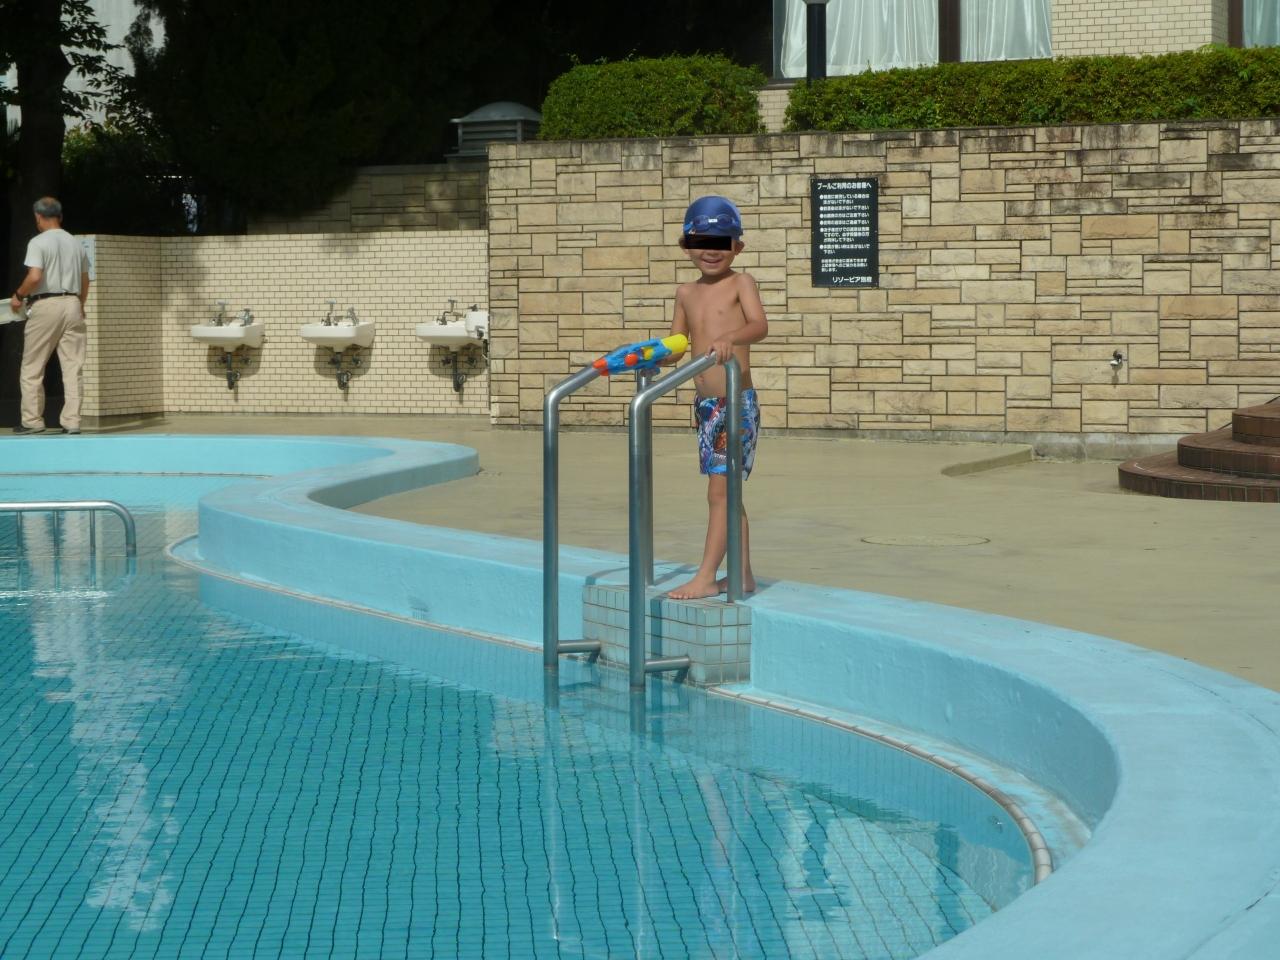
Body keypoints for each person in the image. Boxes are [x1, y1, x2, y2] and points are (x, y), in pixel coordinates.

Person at [665, 195, 768, 600]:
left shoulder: (741, 283)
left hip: (736, 404)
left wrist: (730, 337)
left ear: (737, 247)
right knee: (728, 494)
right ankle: (742, 575)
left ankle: (706, 576)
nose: (711, 251)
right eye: (702, 242)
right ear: (686, 247)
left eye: (721, 242)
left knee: (719, 493)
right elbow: (677, 344)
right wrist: (655, 356)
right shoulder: (685, 292)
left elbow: (759, 325)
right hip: (707, 408)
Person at [8, 196, 91, 435]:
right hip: (73, 303)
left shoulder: (38, 242)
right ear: (60, 216)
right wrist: (80, 304)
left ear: (38, 216)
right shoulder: (75, 243)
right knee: (73, 367)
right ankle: (72, 421)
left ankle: (32, 421)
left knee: (33, 365)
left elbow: (35, 276)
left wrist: (18, 295)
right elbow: (85, 280)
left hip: (46, 304)